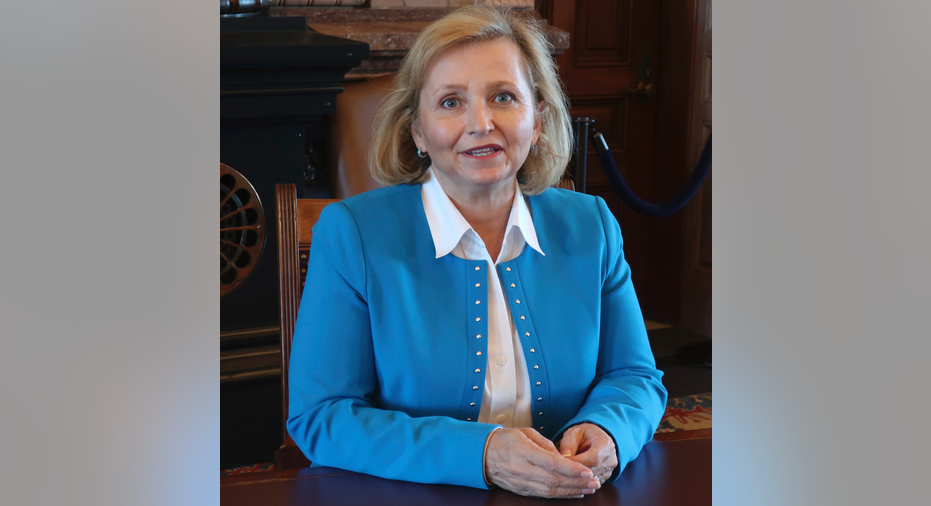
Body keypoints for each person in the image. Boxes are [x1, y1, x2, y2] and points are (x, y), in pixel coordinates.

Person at [287, 5, 667, 499]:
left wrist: (608, 429)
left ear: (538, 118)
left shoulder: (590, 225)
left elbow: (634, 376)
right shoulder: (353, 234)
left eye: (503, 97)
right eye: (451, 102)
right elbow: (322, 416)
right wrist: (481, 454)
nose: (481, 123)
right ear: (417, 131)